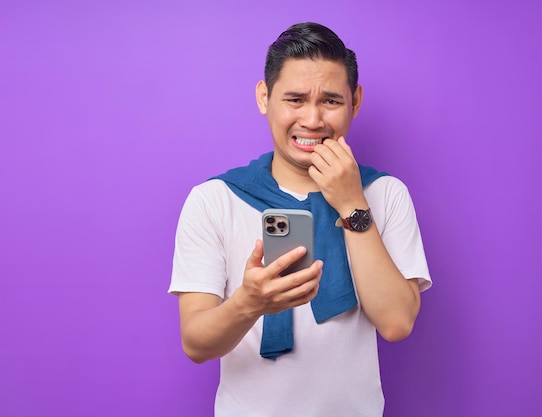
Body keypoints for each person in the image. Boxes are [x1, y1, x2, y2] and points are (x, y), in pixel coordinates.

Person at [169, 22, 432, 417]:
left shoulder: (384, 194)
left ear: (355, 101)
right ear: (264, 97)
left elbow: (396, 323)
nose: (312, 119)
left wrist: (351, 204)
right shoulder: (213, 201)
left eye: (330, 100)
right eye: (295, 99)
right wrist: (249, 302)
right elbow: (196, 343)